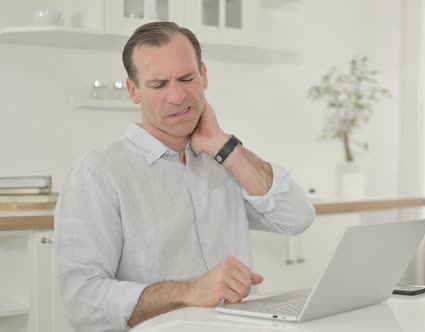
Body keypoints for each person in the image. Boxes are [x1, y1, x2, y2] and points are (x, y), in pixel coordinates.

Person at [55, 21, 315, 332]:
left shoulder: (222, 161)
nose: (177, 96)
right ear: (133, 91)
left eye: (187, 78)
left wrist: (222, 144)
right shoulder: (98, 173)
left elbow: (297, 217)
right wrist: (190, 291)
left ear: (204, 75)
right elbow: (82, 302)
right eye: (159, 84)